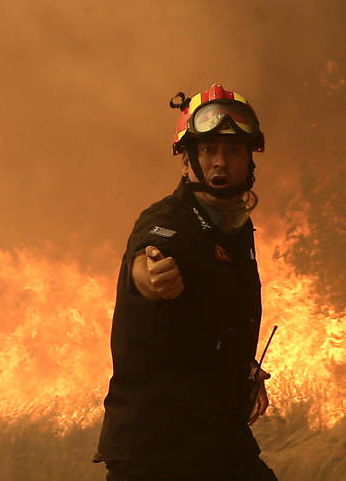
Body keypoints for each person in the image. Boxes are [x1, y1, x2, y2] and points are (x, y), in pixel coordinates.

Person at [94, 84, 278, 481]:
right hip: (156, 453)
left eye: (232, 150)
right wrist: (154, 277)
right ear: (187, 160)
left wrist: (242, 370)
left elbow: (213, 321)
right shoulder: (169, 220)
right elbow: (147, 262)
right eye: (209, 150)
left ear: (250, 159)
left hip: (218, 442)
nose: (220, 162)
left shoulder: (236, 229)